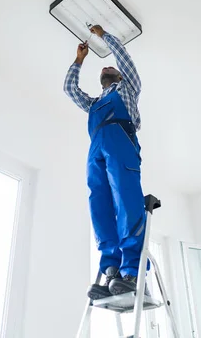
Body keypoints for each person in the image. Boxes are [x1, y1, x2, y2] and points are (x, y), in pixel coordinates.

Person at [63, 25, 147, 300]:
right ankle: (110, 268)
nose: (106, 68)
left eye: (110, 68)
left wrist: (104, 36)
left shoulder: (128, 88)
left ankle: (132, 269)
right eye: (102, 69)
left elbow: (124, 58)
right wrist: (79, 61)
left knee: (126, 198)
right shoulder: (93, 101)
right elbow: (69, 89)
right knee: (98, 202)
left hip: (120, 140)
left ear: (119, 76)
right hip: (96, 147)